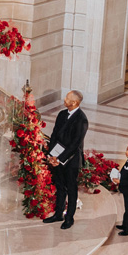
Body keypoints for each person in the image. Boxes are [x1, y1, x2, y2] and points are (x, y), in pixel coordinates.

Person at [43, 90, 89, 229]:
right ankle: (58, 214)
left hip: (71, 160)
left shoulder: (82, 119)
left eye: (67, 98)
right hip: (57, 157)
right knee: (59, 186)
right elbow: (54, 134)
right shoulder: (62, 114)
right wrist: (51, 155)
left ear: (74, 102)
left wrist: (60, 158)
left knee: (71, 189)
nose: (64, 99)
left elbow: (75, 144)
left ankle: (69, 218)